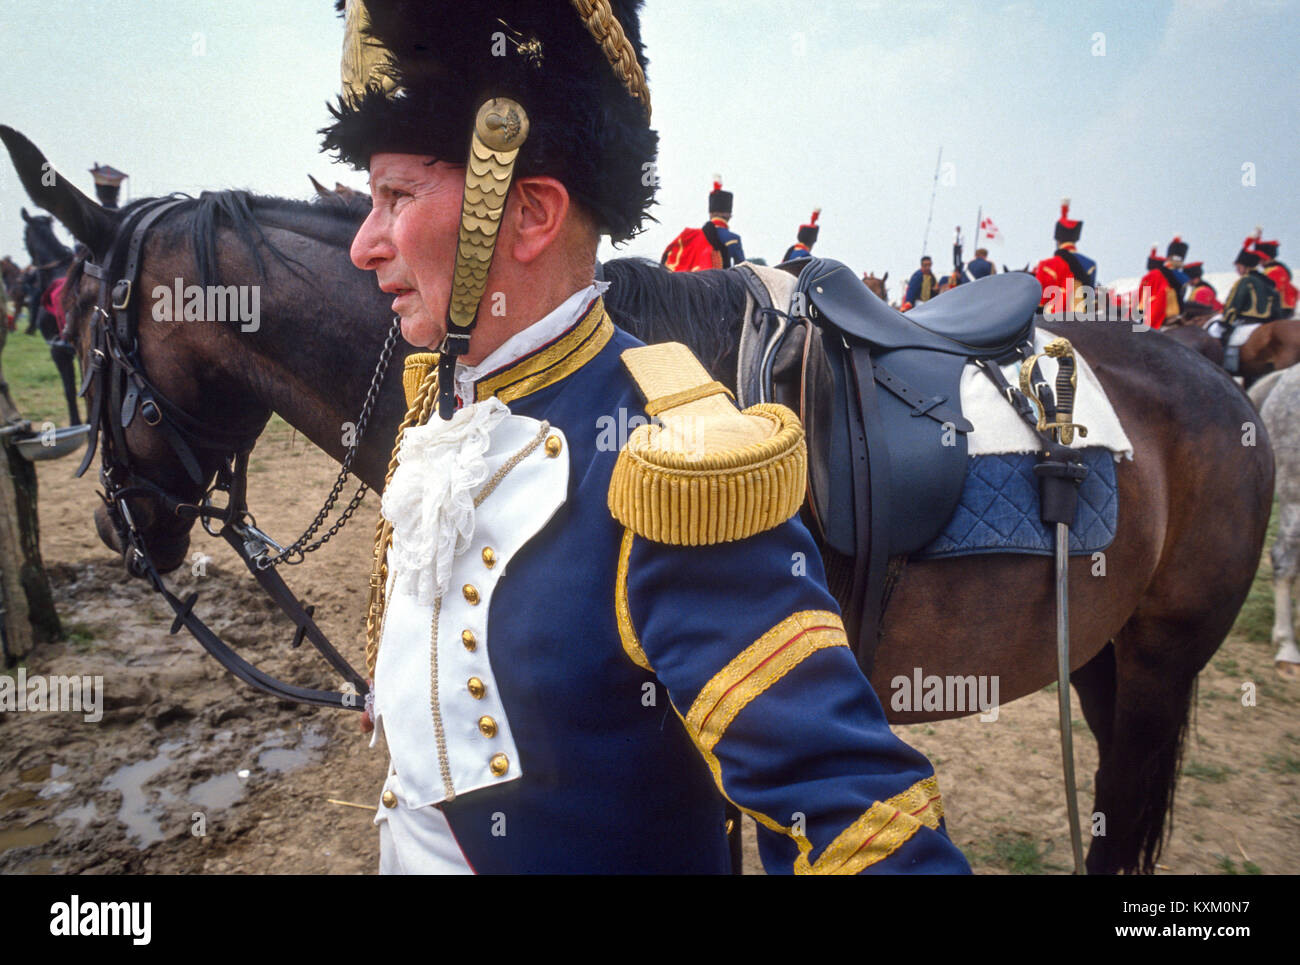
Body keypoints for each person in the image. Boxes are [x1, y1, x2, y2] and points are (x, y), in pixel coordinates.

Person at [324, 0, 968, 876]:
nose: (364, 243)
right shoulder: (436, 408)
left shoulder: (677, 459)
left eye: (396, 196)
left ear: (530, 215)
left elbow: (856, 825)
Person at [662, 177, 746, 271]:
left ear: (711, 214)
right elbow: (741, 269)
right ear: (729, 215)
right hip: (718, 282)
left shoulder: (690, 236)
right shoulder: (733, 238)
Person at [1033, 198, 1096, 316]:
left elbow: (1040, 302)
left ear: (1057, 240)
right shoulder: (1090, 265)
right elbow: (1090, 298)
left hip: (1053, 319)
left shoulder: (1047, 265)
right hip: (1083, 319)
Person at [1219, 240, 1281, 345]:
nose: (1237, 271)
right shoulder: (1267, 281)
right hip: (1267, 323)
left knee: (1219, 336)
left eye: (1238, 267)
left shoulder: (1245, 280)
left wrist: (1226, 321)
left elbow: (1235, 303)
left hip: (1246, 322)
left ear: (1245, 267)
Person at [1137, 243, 1184, 331]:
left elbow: (1142, 297)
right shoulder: (1168, 274)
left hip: (1160, 311)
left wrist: (1139, 312)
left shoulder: (1151, 276)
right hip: (1175, 311)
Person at [1253, 237, 1297, 319]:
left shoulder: (1276, 271)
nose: (1258, 261)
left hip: (1280, 309)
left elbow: (1272, 290)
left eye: (1260, 258)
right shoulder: (1270, 270)